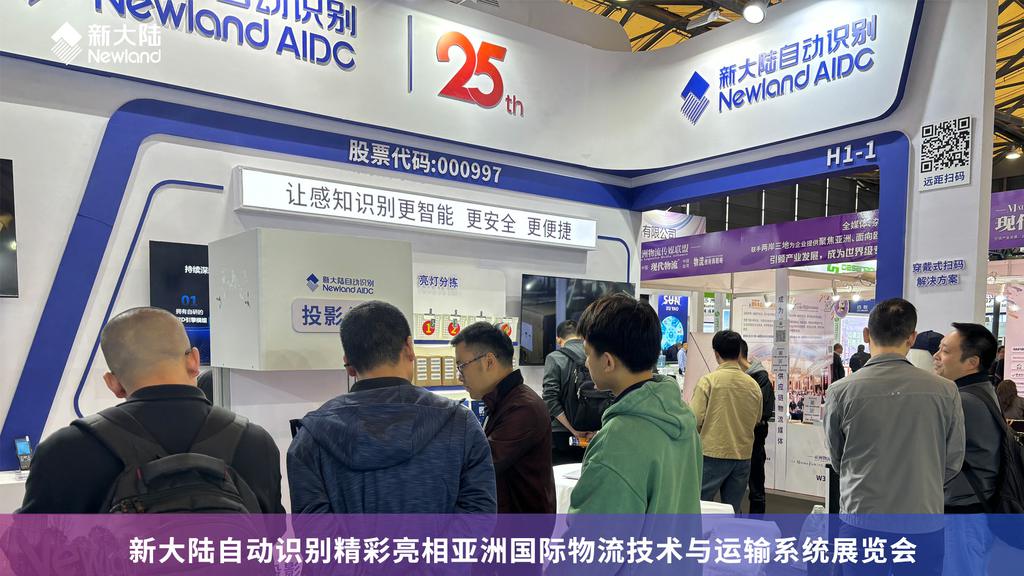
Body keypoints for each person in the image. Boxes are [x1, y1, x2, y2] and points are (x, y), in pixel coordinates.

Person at [19, 307, 284, 513]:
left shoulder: (64, 451)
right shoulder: (255, 442)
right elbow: (270, 539)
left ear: (113, 383)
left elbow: (32, 554)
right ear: (194, 360)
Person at [288, 301, 496, 513]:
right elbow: (479, 513)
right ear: (409, 348)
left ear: (348, 364)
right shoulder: (460, 423)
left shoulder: (311, 437)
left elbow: (313, 526)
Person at [824, 299, 963, 576]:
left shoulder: (841, 391)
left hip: (862, 517)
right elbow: (953, 461)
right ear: (911, 337)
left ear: (867, 334)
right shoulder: (946, 391)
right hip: (923, 520)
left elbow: (837, 458)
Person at [569, 293, 702, 514]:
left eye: (588, 354)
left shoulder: (616, 439)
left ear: (608, 362)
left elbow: (593, 531)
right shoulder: (682, 417)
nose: (586, 362)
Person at [452, 322, 555, 514]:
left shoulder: (523, 408)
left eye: (462, 366)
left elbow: (482, 464)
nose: (459, 376)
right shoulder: (504, 401)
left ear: (489, 361)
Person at [934, 323, 1004, 576]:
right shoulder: (981, 391)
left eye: (945, 351)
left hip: (961, 514)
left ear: (972, 362)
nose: (936, 356)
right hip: (973, 510)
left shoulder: (963, 401)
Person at [691, 330, 762, 513]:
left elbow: (695, 419)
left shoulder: (708, 382)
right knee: (732, 509)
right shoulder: (753, 385)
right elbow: (757, 418)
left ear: (716, 353)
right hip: (742, 455)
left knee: (700, 506)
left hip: (712, 453)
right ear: (739, 353)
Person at [542, 320, 589, 465]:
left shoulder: (554, 358)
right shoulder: (594, 355)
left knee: (562, 476)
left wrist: (573, 430)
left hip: (562, 435)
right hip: (594, 433)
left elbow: (550, 398)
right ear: (581, 336)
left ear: (558, 339)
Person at [739, 339, 773, 515]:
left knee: (756, 489)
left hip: (754, 442)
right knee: (733, 492)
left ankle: (756, 525)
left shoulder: (761, 378)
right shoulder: (740, 377)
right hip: (737, 441)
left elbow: (763, 414)